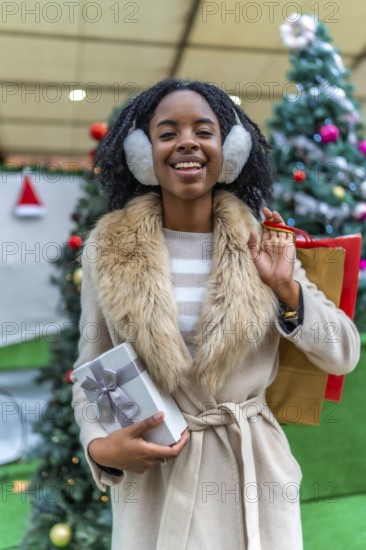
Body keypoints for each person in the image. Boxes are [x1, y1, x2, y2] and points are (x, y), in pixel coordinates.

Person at [72, 79, 360, 550]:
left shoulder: (265, 241)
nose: (187, 141)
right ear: (143, 154)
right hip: (158, 485)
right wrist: (99, 449)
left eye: (203, 130)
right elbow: (92, 369)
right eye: (168, 133)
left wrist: (286, 288)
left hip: (254, 477)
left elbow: (343, 354)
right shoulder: (107, 251)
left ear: (232, 149)